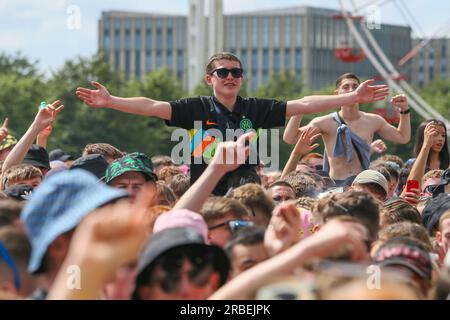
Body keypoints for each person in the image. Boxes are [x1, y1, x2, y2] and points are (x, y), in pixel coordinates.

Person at [77, 53, 389, 195]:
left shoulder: (254, 107)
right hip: (207, 191)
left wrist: (350, 99)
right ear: (209, 78)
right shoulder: (195, 108)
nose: (230, 77)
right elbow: (151, 106)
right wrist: (112, 100)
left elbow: (305, 103)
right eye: (223, 72)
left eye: (236, 73)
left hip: (248, 193)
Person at [283, 73, 410, 185]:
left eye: (355, 87)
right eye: (346, 87)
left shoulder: (373, 120)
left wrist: (404, 110)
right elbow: (290, 138)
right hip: (335, 184)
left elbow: (402, 137)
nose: (351, 90)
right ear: (336, 93)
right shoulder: (325, 122)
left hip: (362, 183)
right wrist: (299, 109)